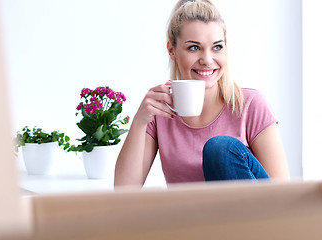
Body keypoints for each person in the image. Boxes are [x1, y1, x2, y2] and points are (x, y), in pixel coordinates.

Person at [114, 0, 290, 187]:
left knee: (221, 148)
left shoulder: (251, 104)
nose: (207, 60)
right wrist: (140, 121)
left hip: (250, 215)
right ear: (171, 50)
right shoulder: (160, 110)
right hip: (192, 216)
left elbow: (283, 197)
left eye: (217, 47)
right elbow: (124, 189)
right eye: (194, 47)